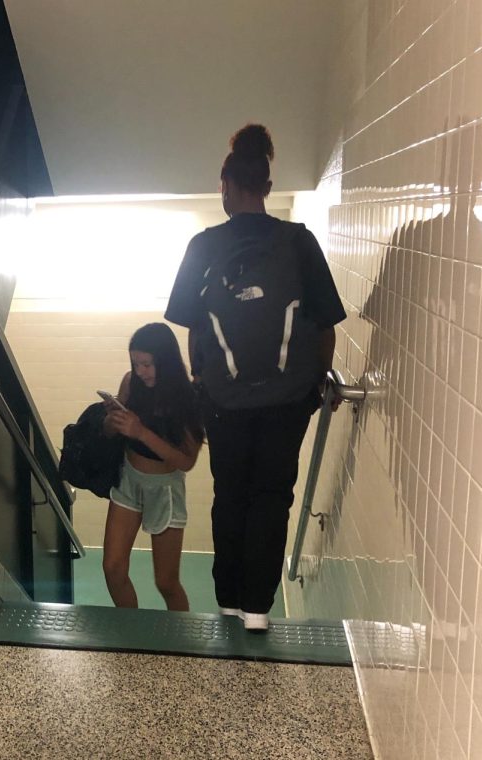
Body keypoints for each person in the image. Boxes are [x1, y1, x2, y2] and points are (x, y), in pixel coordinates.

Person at [165, 124, 346, 631]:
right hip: (287, 400)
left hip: (224, 401)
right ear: (267, 187)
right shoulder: (298, 241)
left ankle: (226, 601)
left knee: (231, 495)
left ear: (226, 184)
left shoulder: (203, 245)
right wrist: (314, 385)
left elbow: (192, 327)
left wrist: (204, 380)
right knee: (272, 496)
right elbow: (325, 323)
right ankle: (259, 611)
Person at [101, 323, 203, 612]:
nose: (141, 371)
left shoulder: (188, 396)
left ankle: (180, 645)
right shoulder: (130, 383)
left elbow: (187, 461)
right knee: (113, 568)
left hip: (166, 489)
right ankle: (132, 632)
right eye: (136, 364)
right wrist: (111, 423)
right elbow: (113, 434)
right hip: (129, 481)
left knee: (166, 583)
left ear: (165, 361)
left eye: (147, 364)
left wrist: (141, 432)